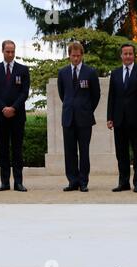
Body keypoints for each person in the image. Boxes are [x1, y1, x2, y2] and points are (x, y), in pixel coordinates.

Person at [107, 43, 137, 193]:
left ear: (134, 55)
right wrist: (110, 117)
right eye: (125, 54)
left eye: (130, 54)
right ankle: (123, 182)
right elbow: (111, 97)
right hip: (119, 119)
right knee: (121, 153)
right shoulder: (114, 74)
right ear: (121, 55)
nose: (128, 56)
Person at [0, 40, 30, 192]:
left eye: (12, 51)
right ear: (2, 51)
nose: (10, 54)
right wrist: (3, 108)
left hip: (18, 116)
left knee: (17, 150)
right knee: (3, 149)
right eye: (7, 51)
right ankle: (5, 182)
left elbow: (24, 93)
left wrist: (13, 108)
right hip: (1, 116)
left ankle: (18, 182)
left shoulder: (23, 70)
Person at [57, 42, 101, 192]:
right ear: (69, 56)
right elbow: (62, 94)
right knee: (69, 152)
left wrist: (86, 109)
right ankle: (72, 181)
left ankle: (83, 181)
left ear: (82, 55)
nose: (75, 58)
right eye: (73, 55)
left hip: (84, 118)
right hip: (68, 117)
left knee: (84, 151)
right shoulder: (62, 73)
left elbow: (96, 96)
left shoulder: (90, 72)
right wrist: (72, 106)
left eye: (78, 55)